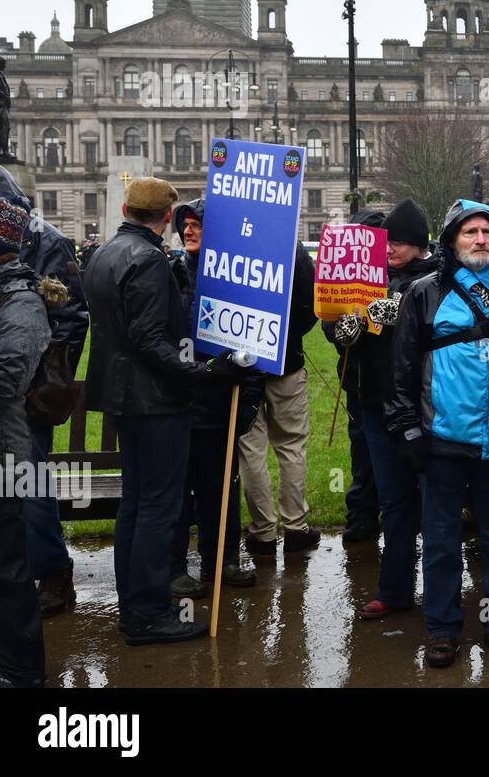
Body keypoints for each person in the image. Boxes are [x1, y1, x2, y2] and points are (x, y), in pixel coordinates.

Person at [86, 178, 240, 645]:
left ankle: (136, 603)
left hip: (123, 398)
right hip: (154, 400)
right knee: (157, 507)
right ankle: (149, 612)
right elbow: (151, 339)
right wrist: (203, 373)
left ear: (127, 208)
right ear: (167, 217)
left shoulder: (103, 253)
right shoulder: (149, 260)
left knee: (135, 504)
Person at [386, 199, 489, 667]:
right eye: (469, 233)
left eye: (487, 233)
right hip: (443, 441)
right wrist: (406, 428)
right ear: (452, 241)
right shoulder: (425, 293)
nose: (480, 240)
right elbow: (401, 369)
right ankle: (443, 629)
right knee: (443, 541)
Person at [328, 199, 440, 619]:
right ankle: (394, 590)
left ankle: (439, 589)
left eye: (398, 242)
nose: (389, 248)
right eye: (385, 241)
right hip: (375, 403)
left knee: (434, 500)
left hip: (425, 405)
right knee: (393, 499)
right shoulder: (368, 276)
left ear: (418, 244)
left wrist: (401, 310)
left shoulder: (436, 278)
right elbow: (334, 319)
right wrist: (344, 329)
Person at [0, 160, 89, 617]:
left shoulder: (45, 240)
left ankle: (52, 575)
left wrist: (39, 376)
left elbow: (70, 316)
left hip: (26, 391)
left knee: (29, 485)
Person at [167, 199, 262, 597]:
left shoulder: (237, 283)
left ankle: (221, 559)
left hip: (220, 403)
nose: (189, 232)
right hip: (177, 402)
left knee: (220, 489)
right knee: (176, 492)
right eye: (185, 226)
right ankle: (173, 567)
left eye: (198, 226)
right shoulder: (169, 274)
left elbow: (256, 345)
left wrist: (250, 400)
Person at [0, 194, 54, 686]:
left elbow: (6, 380)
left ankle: (19, 670)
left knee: (4, 567)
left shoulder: (22, 302)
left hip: (1, 457)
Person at [238, 240, 318, 557]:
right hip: (285, 361)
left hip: (243, 363)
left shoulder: (232, 241)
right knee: (291, 445)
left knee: (251, 450)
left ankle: (263, 531)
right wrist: (287, 336)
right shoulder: (291, 247)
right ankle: (295, 526)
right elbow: (309, 304)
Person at [338, 209, 387, 544]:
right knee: (363, 451)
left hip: (399, 382)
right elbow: (330, 325)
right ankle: (362, 516)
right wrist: (345, 328)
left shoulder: (398, 272)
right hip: (359, 379)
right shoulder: (343, 278)